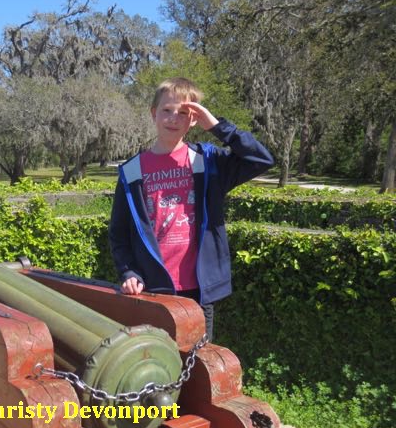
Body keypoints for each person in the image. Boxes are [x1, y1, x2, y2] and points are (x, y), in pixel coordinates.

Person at [108, 77, 274, 342]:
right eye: (167, 110)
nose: (174, 118)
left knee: (196, 367)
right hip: (152, 288)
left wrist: (218, 127)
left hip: (199, 290)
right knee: (157, 365)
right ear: (154, 113)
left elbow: (261, 159)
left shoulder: (207, 162)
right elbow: (118, 233)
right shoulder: (132, 171)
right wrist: (129, 272)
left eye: (184, 113)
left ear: (194, 119)